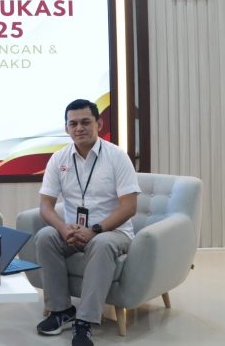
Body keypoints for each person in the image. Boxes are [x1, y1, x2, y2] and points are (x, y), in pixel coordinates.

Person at [35, 99, 140, 346]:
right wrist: (63, 228)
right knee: (45, 237)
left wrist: (95, 230)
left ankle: (85, 321)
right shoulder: (59, 159)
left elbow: (129, 207)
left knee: (101, 244)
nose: (79, 128)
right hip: (74, 232)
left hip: (112, 232)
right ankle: (61, 310)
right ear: (66, 128)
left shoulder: (117, 157)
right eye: (73, 124)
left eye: (85, 122)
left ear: (99, 124)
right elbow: (45, 206)